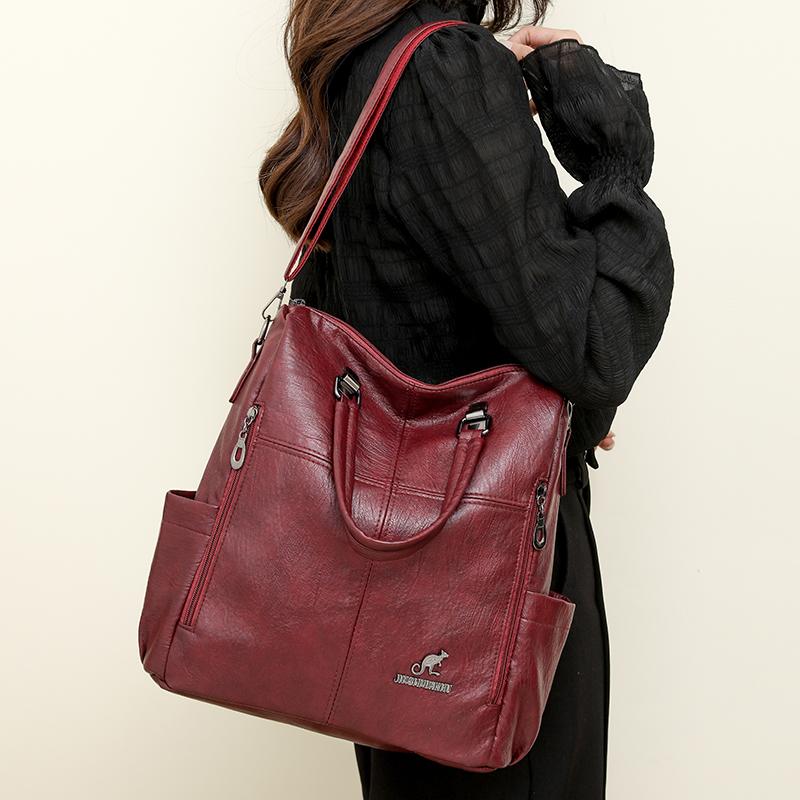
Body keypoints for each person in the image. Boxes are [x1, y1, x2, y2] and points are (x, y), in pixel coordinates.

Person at [260, 1, 674, 797]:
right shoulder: (442, 68)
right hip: (487, 569)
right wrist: (615, 159)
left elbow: (416, 306)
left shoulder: (364, 55)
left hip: (385, 574)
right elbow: (593, 346)